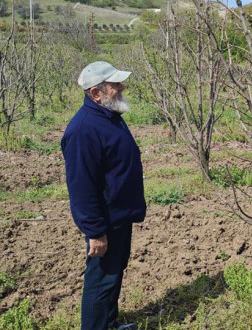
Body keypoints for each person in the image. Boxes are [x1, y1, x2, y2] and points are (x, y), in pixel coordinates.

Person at [61, 61, 146, 330]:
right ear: (95, 93)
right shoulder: (83, 129)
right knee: (101, 280)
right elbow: (81, 187)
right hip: (105, 221)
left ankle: (108, 324)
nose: (122, 87)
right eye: (114, 85)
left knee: (112, 274)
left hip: (119, 215)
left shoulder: (109, 117)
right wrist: (95, 231)